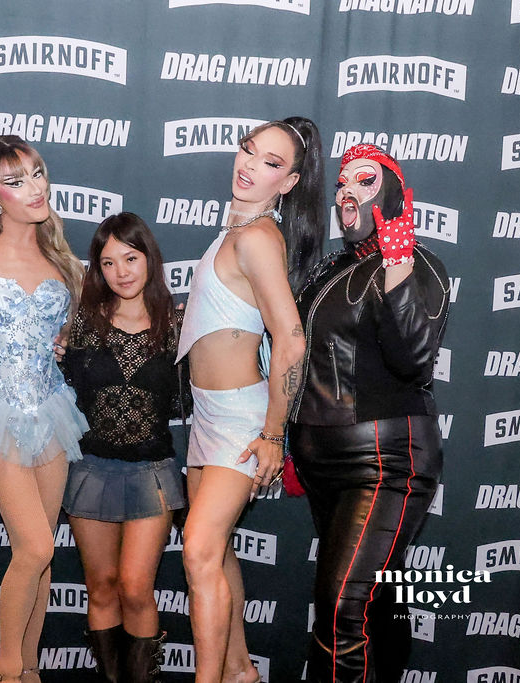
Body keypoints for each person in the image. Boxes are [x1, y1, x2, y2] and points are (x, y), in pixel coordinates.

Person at [289, 144, 449, 683]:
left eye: (364, 180)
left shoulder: (418, 263)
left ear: (393, 193)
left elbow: (414, 360)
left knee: (341, 607)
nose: (346, 192)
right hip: (323, 464)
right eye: (341, 183)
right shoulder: (331, 269)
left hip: (384, 464)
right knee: (371, 603)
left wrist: (398, 268)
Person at [175, 118, 325, 683]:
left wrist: (272, 434)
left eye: (271, 162)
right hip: (208, 415)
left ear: (288, 183)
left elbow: (290, 339)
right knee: (215, 553)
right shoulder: (234, 232)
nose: (250, 165)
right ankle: (239, 670)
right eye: (248, 150)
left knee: (198, 552)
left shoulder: (258, 236)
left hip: (241, 419)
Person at [0, 135, 87, 683]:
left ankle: (29, 670)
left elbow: (65, 338)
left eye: (38, 173)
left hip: (52, 409)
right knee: (36, 544)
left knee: (42, 558)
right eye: (15, 180)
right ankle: (5, 667)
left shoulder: (61, 260)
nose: (34, 187)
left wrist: (62, 344)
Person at [61, 212, 188, 683]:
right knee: (101, 587)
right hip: (90, 469)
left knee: (135, 588)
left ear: (149, 258)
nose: (121, 272)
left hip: (152, 471)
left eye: (130, 258)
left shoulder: (178, 325)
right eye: (108, 262)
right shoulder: (81, 324)